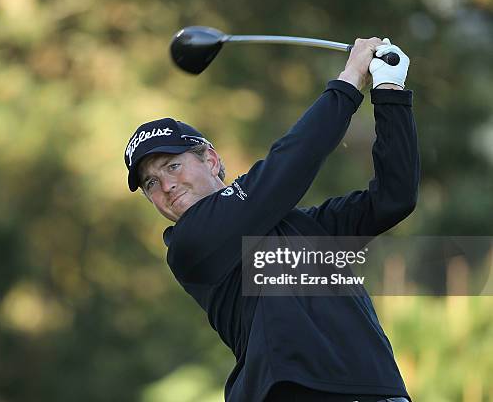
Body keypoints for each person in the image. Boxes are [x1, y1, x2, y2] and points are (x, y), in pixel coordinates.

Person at [123, 37, 418, 402]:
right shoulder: (189, 244)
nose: (165, 186)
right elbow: (288, 165)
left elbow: (394, 198)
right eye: (151, 182)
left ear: (211, 161)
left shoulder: (305, 229)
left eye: (173, 165)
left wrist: (390, 92)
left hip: (378, 391)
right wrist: (350, 79)